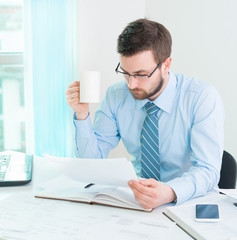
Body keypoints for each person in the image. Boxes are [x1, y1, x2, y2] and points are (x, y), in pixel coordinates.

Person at [66, 18, 224, 209]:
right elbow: (92, 164)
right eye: (125, 72)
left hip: (188, 203)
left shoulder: (201, 97)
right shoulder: (116, 96)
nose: (131, 84)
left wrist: (169, 191)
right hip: (137, 203)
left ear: (166, 65)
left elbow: (208, 170)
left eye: (141, 74)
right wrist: (82, 115)